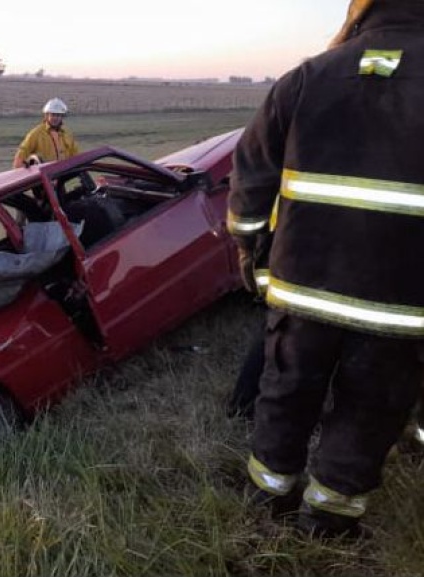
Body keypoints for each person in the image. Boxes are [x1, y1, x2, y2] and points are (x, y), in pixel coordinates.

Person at [226, 0, 424, 539]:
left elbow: (250, 175)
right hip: (401, 304)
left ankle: (268, 498)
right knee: (372, 406)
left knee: (286, 390)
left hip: (302, 288)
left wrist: (247, 247)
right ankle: (329, 520)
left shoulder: (308, 76)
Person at [12, 98, 80, 168]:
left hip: (63, 174)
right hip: (44, 175)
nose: (55, 118)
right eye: (53, 115)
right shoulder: (36, 133)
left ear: (62, 117)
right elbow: (23, 151)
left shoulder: (67, 133)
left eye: (58, 115)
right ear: (46, 116)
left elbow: (75, 154)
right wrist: (19, 171)